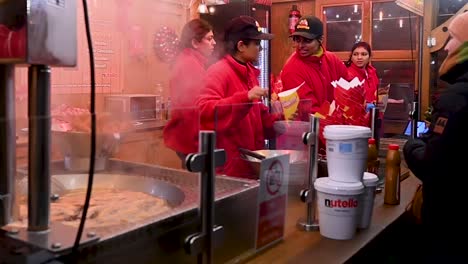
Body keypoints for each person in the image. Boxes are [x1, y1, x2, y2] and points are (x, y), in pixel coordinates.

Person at [403, 11, 468, 262]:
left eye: (451, 38)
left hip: (451, 226)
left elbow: (433, 165)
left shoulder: (457, 98)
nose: (445, 46)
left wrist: (412, 146)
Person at [196, 16, 281, 179]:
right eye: (256, 44)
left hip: (251, 162)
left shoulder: (249, 72)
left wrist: (280, 120)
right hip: (231, 169)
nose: (260, 49)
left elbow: (258, 116)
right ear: (241, 45)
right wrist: (245, 98)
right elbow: (204, 111)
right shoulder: (219, 72)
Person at [163, 19, 216, 168]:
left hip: (188, 138)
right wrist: (200, 144)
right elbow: (194, 109)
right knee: (196, 187)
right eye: (209, 38)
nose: (214, 43)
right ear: (195, 43)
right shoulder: (189, 64)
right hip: (192, 140)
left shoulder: (191, 60)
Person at [280, 15, 349, 119]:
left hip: (334, 127)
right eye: (297, 40)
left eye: (307, 41)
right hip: (308, 129)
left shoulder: (333, 60)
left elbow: (348, 91)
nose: (300, 46)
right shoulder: (291, 69)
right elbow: (308, 110)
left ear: (320, 39)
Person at [345, 41, 378, 108]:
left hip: (373, 114)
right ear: (351, 57)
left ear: (369, 57)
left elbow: (376, 95)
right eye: (355, 54)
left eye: (363, 54)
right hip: (356, 116)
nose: (359, 57)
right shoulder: (347, 74)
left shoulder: (372, 72)